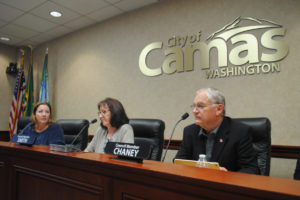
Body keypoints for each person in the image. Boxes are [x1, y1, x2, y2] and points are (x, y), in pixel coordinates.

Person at [174, 88, 259, 174]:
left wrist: (227, 175)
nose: (194, 111)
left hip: (225, 185)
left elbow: (252, 169)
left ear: (219, 109)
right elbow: (178, 162)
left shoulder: (240, 132)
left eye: (200, 106)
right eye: (194, 106)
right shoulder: (190, 131)